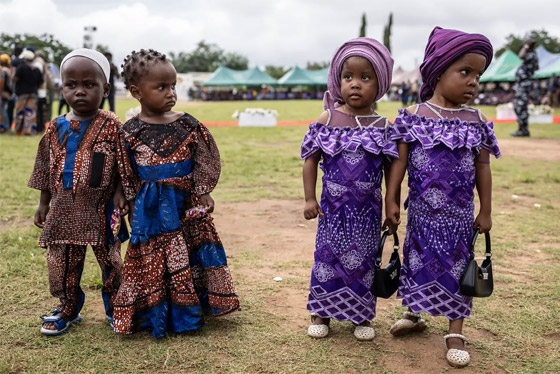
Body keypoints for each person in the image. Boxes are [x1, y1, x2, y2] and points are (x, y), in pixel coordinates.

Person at [384, 27, 501, 368]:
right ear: (438, 72)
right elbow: (399, 163)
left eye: (478, 75)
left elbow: (483, 168)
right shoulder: (412, 117)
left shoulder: (476, 121)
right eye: (465, 72)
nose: (473, 82)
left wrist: (486, 210)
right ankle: (414, 313)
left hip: (460, 216)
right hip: (421, 212)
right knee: (417, 260)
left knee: (458, 267)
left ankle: (455, 331)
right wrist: (391, 200)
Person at [112, 49, 240, 338]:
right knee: (156, 256)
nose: (171, 93)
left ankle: (193, 307)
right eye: (161, 87)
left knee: (192, 251)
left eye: (173, 86)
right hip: (150, 207)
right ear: (136, 92)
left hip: (187, 201)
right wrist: (126, 197)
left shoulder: (188, 124)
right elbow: (124, 168)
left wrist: (204, 190)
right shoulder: (129, 132)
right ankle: (156, 310)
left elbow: (204, 158)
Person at [301, 38, 396, 341]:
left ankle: (361, 315)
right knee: (327, 258)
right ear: (337, 80)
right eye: (348, 77)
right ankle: (321, 313)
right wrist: (309, 197)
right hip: (333, 212)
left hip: (367, 214)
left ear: (379, 83)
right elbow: (309, 159)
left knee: (365, 260)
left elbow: (394, 168)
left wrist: (392, 201)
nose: (355, 84)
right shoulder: (327, 119)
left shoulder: (383, 126)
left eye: (365, 77)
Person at [28, 48, 128, 336]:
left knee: (111, 260)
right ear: (62, 88)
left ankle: (117, 307)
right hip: (63, 209)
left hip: (101, 209)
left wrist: (121, 193)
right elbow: (45, 168)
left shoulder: (112, 126)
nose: (80, 91)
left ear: (105, 88)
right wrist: (42, 203)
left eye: (89, 84)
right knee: (63, 263)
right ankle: (68, 307)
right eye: (71, 85)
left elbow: (123, 165)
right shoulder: (55, 128)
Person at [512, 39, 539, 137]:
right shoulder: (533, 54)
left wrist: (526, 47)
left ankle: (523, 130)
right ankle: (521, 129)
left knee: (521, 107)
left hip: (524, 84)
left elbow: (521, 56)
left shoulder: (531, 54)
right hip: (522, 84)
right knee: (518, 107)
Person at [13, 48, 42, 135]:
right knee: (31, 112)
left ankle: (18, 130)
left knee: (20, 112)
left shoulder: (21, 67)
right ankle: (29, 130)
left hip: (22, 93)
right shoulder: (36, 68)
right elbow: (40, 81)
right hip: (33, 93)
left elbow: (15, 78)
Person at [0, 53, 12, 132]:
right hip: (6, 92)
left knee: (3, 110)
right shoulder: (7, 70)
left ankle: (6, 126)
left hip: (4, 92)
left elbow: (4, 83)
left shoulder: (3, 70)